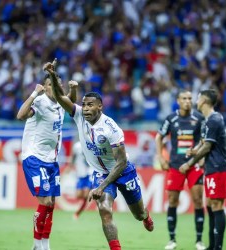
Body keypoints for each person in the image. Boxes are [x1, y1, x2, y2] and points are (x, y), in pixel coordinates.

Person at [45, 59, 154, 250]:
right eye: (84, 105)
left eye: (90, 106)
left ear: (100, 107)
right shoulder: (79, 115)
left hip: (123, 171)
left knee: (138, 214)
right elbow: (61, 98)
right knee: (104, 210)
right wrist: (53, 76)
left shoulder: (111, 128)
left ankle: (145, 216)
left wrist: (100, 187)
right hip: (101, 173)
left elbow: (120, 163)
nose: (85, 109)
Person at [16, 65, 77, 250]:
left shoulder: (60, 101)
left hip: (51, 159)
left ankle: (45, 245)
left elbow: (70, 105)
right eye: (50, 85)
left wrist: (73, 89)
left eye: (58, 85)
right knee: (44, 201)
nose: (54, 89)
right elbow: (20, 116)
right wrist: (34, 94)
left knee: (51, 204)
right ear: (45, 86)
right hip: (34, 157)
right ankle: (36, 245)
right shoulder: (40, 101)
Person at [179, 89, 226, 250]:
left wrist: (189, 163)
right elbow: (204, 142)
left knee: (217, 205)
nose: (196, 101)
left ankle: (218, 247)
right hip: (211, 167)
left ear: (204, 101)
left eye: (199, 98)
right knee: (210, 204)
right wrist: (194, 149)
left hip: (218, 167)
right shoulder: (209, 120)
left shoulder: (213, 120)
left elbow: (208, 146)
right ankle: (212, 244)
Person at [155, 90, 206, 250]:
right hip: (175, 165)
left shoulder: (199, 118)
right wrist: (161, 158)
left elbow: (205, 139)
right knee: (172, 201)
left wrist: (201, 155)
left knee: (198, 200)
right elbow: (159, 137)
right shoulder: (171, 118)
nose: (187, 101)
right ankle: (172, 240)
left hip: (194, 164)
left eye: (190, 98)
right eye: (184, 98)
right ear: (178, 100)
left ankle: (199, 241)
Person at [70, 139, 93, 219]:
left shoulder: (91, 144)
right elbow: (73, 157)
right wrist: (70, 166)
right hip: (80, 173)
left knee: (86, 195)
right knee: (79, 195)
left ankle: (78, 213)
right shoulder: (77, 146)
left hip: (90, 173)